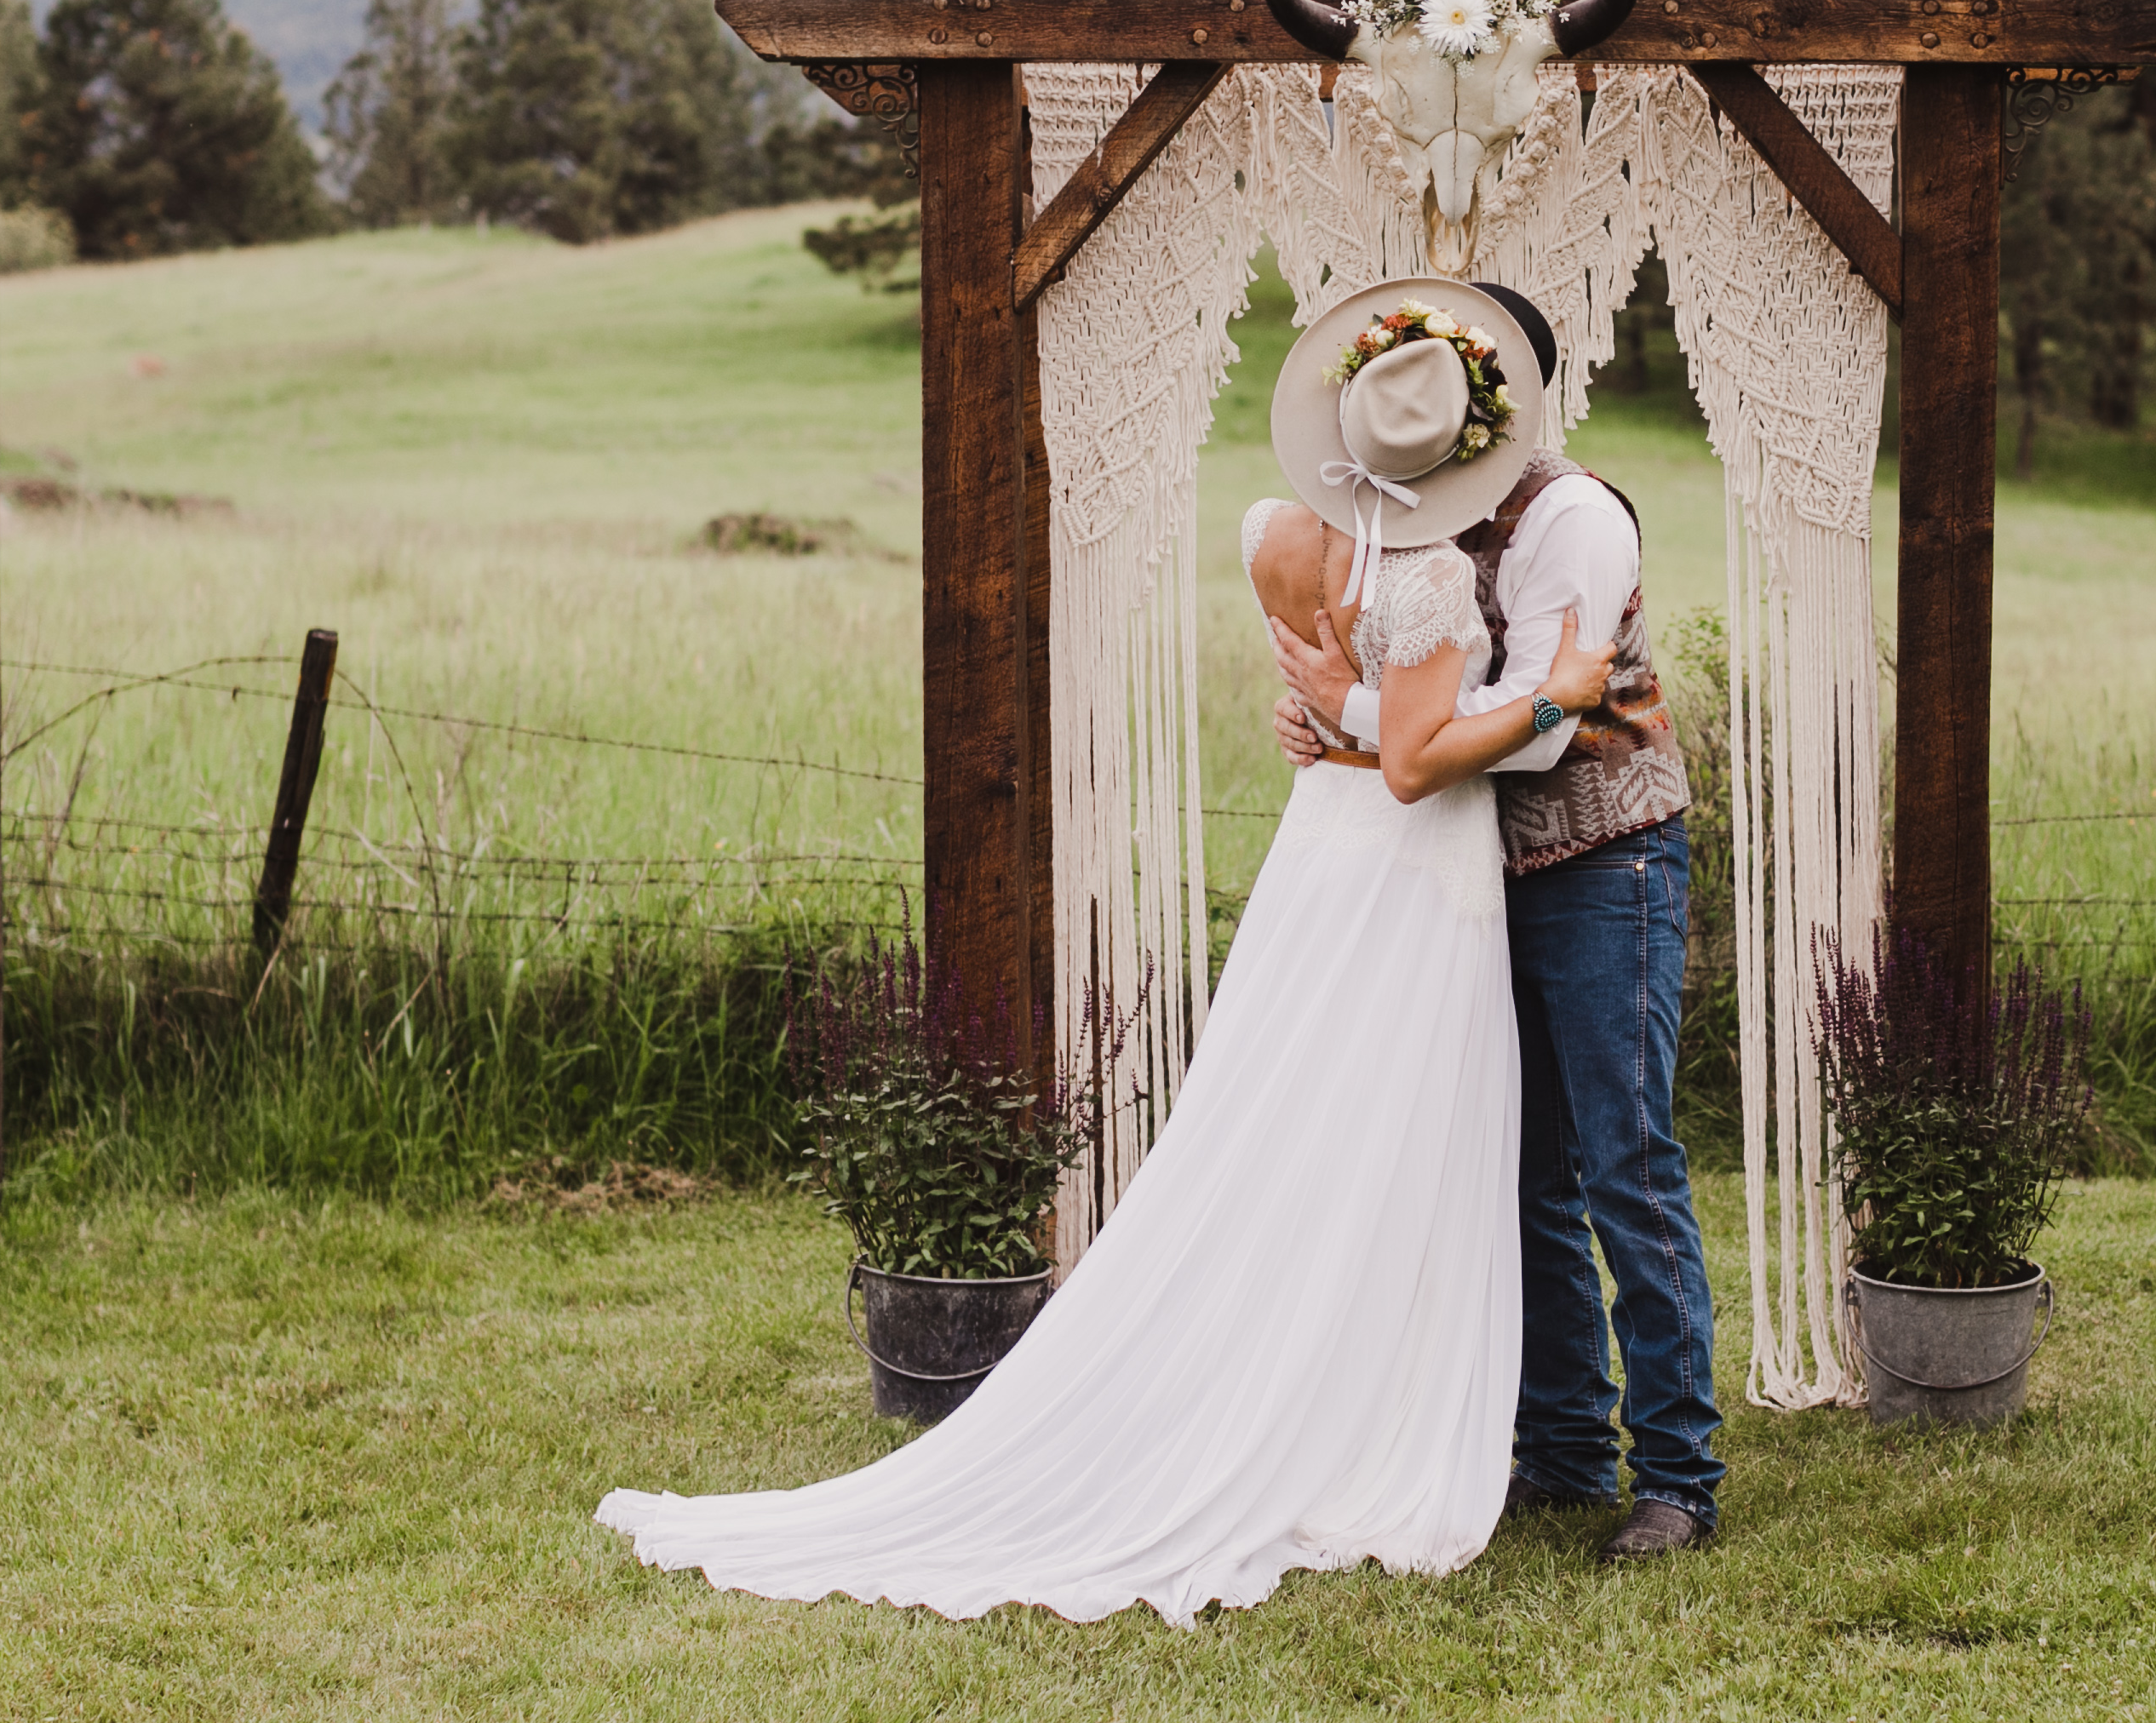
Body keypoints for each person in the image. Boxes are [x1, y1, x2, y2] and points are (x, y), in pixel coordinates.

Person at [593, 280, 1609, 1625]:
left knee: (1297, 1120)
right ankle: (1372, 1413)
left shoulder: (1279, 536)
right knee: (1402, 1133)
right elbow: (1421, 765)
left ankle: (1312, 1373)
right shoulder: (1423, 575)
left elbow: (1351, 728)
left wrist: (1336, 719)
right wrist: (1558, 690)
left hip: (1319, 855)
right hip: (1419, 879)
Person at [1266, 281, 1723, 1563]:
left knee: (1627, 1161)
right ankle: (1565, 1447)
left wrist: (1357, 720)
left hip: (1602, 862)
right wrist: (1331, 717)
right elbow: (1402, 694)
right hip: (1469, 873)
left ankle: (1679, 1474)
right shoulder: (1411, 514)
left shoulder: (1573, 522)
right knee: (1521, 1173)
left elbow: (1539, 736)